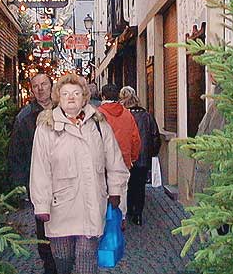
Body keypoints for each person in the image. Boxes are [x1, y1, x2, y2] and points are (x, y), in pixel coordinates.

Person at [30, 73, 129, 274]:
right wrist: (41, 204)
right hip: (59, 207)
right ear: (58, 97)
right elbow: (39, 169)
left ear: (84, 97)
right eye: (65, 93)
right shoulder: (47, 127)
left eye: (76, 93)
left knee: (86, 259)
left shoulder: (99, 125)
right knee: (62, 262)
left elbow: (115, 162)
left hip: (91, 203)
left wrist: (116, 192)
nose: (71, 97)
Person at [7, 73, 56, 274]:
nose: (40, 88)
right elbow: (15, 153)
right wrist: (20, 185)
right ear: (32, 90)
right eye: (36, 86)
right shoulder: (24, 117)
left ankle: (64, 259)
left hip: (65, 180)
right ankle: (49, 264)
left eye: (44, 84)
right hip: (37, 181)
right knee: (43, 225)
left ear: (51, 85)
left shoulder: (64, 109)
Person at [119, 86, 161, 226]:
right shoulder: (147, 116)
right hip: (143, 159)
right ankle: (138, 215)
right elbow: (155, 136)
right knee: (140, 186)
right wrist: (152, 153)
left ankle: (130, 209)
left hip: (127, 158)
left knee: (129, 185)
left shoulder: (123, 116)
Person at [98, 84, 141, 220]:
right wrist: (132, 157)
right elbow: (135, 139)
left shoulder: (97, 114)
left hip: (101, 162)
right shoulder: (127, 114)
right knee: (121, 194)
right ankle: (119, 222)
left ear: (103, 96)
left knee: (101, 195)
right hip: (123, 160)